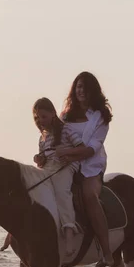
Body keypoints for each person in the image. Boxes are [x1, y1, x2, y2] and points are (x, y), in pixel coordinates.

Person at [56, 72, 116, 267]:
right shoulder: (65, 116)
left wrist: (69, 153)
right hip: (64, 164)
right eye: (79, 87)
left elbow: (92, 148)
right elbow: (54, 137)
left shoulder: (101, 117)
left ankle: (107, 252)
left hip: (91, 166)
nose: (81, 91)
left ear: (94, 91)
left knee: (90, 196)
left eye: (85, 87)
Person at [31, 97, 84, 258]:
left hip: (66, 165)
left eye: (44, 117)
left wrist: (66, 153)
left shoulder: (66, 130)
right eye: (37, 118)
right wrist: (39, 159)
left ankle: (69, 232)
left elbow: (82, 148)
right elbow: (43, 159)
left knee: (61, 192)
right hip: (49, 168)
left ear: (53, 114)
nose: (41, 121)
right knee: (33, 190)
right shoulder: (42, 137)